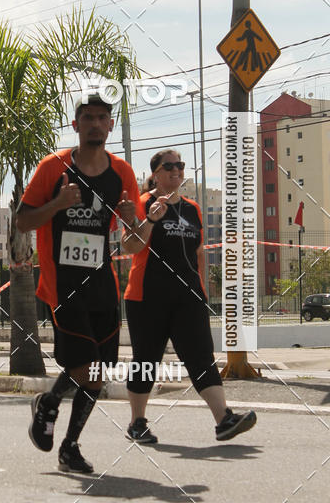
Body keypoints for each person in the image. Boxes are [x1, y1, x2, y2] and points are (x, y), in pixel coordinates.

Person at [17, 95, 142, 473]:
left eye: (102, 118)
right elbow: (23, 221)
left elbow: (135, 242)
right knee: (84, 366)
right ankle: (52, 408)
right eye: (87, 118)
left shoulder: (122, 173)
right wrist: (57, 204)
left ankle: (67, 440)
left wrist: (132, 218)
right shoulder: (52, 168)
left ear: (110, 125)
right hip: (62, 283)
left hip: (102, 282)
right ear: (76, 125)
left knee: (98, 373)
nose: (95, 124)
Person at [122, 148, 257, 442]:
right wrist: (150, 221)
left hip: (188, 299)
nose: (176, 171)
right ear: (155, 173)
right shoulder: (143, 203)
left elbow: (198, 254)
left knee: (201, 357)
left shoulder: (193, 209)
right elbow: (129, 246)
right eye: (168, 166)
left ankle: (223, 420)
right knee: (147, 359)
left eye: (180, 166)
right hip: (147, 297)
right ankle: (137, 423)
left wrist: (202, 291)